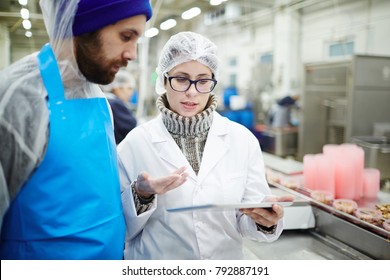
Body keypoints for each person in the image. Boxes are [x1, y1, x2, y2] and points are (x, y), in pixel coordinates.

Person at [0, 0, 186, 260]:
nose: (132, 54)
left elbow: (93, 200)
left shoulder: (96, 96)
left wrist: (139, 193)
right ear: (87, 26)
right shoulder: (18, 98)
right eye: (126, 36)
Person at [117, 31, 294, 260]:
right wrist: (141, 195)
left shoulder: (242, 140)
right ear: (163, 79)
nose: (192, 91)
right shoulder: (135, 143)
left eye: (202, 81)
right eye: (181, 79)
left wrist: (264, 220)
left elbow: (247, 218)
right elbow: (118, 227)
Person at [101, 69, 138, 144]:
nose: (131, 93)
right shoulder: (115, 104)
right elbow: (132, 126)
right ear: (118, 88)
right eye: (129, 88)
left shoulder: (104, 101)